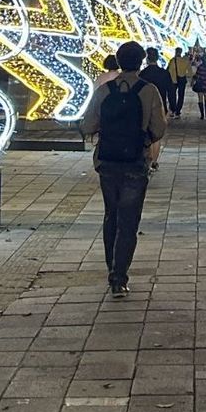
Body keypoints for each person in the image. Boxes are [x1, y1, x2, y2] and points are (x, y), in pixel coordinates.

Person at [81, 40, 166, 297]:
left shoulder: (105, 91)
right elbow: (159, 128)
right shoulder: (148, 91)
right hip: (134, 163)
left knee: (111, 214)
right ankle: (120, 276)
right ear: (140, 62)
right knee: (129, 219)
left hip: (107, 161)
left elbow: (88, 125)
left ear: (118, 61)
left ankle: (111, 267)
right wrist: (143, 140)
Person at [139, 47, 173, 115]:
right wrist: (172, 106)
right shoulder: (164, 73)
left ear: (147, 59)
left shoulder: (142, 74)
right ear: (157, 58)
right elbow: (170, 91)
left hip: (145, 107)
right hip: (161, 105)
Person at [166, 47, 192, 118]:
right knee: (181, 96)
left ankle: (173, 109)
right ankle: (178, 111)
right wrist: (187, 75)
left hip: (173, 80)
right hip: (182, 80)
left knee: (172, 95)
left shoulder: (172, 60)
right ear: (181, 52)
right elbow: (190, 72)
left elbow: (169, 70)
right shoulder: (185, 60)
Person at [193, 52, 206, 119]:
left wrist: (192, 81)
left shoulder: (200, 67)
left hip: (200, 84)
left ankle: (202, 114)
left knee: (200, 99)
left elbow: (196, 75)